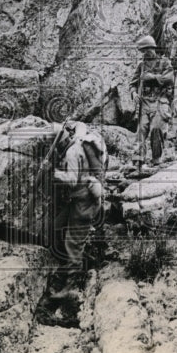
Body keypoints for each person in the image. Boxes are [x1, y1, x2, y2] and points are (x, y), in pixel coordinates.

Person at [44, 120, 107, 324]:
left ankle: (70, 290)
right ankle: (67, 268)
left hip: (84, 204)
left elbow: (71, 180)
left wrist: (53, 173)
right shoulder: (77, 145)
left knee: (73, 244)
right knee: (56, 227)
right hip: (78, 200)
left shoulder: (72, 152)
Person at [130, 35, 174, 166]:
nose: (144, 53)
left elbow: (170, 79)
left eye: (146, 50)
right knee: (141, 131)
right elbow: (132, 83)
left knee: (156, 129)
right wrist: (133, 93)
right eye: (142, 51)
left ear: (152, 48)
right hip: (144, 102)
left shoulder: (164, 62)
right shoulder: (141, 65)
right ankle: (138, 160)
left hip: (160, 101)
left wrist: (152, 77)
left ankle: (156, 159)